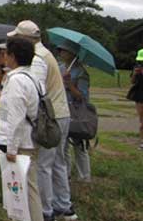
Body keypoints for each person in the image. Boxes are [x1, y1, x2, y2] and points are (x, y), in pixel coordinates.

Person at [7, 20, 76, 221]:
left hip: (48, 118)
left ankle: (46, 210)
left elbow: (31, 91)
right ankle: (64, 204)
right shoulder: (46, 54)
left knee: (43, 165)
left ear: (26, 39)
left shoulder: (37, 58)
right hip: (59, 113)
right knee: (58, 162)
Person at [0, 37, 44, 221]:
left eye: (5, 53)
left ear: (12, 56)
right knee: (26, 188)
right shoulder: (32, 77)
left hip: (20, 143)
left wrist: (11, 148)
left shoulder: (16, 81)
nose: (3, 56)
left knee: (22, 190)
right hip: (29, 139)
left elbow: (16, 117)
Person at [58, 41, 91, 183]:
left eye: (64, 50)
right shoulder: (60, 68)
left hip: (77, 112)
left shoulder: (82, 73)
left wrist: (70, 85)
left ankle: (84, 177)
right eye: (60, 50)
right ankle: (65, 175)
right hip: (62, 109)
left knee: (79, 145)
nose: (61, 52)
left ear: (73, 53)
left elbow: (82, 96)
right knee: (63, 145)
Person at [128, 49, 143, 150]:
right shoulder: (137, 68)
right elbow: (132, 82)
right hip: (140, 95)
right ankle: (142, 142)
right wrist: (135, 74)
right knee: (142, 121)